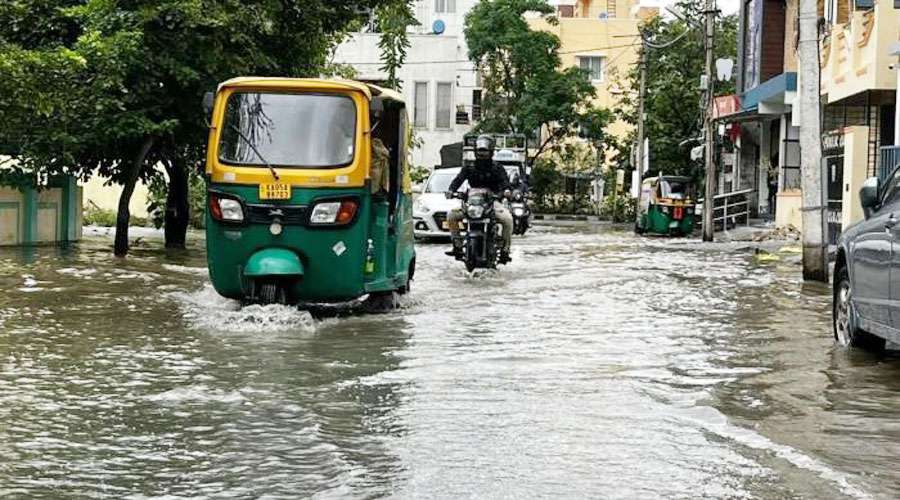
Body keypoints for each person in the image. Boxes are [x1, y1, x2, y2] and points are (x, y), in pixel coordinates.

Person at [445, 134, 514, 263]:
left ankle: (505, 250)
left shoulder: (497, 168)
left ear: (491, 152)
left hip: (492, 203)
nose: (482, 155)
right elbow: (458, 180)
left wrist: (506, 191)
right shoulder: (469, 167)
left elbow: (505, 183)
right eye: (480, 152)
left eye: (485, 152)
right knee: (451, 215)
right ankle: (457, 246)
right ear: (475, 151)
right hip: (472, 204)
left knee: (508, 219)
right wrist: (451, 190)